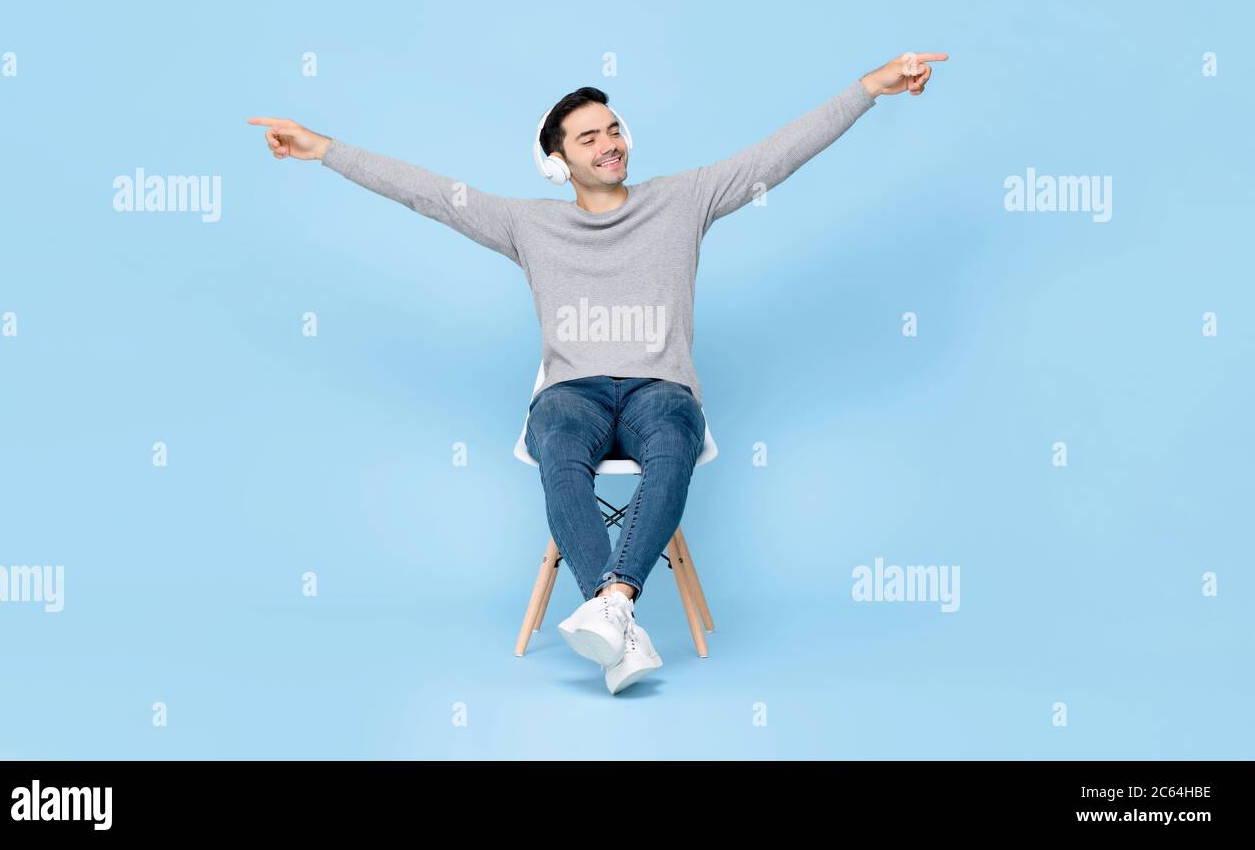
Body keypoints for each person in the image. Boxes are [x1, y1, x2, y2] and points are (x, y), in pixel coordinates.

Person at [247, 52, 948, 693]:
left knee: (675, 440)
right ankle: (621, 621)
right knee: (556, 444)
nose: (609, 142)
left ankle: (612, 610)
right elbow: (428, 192)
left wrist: (870, 90)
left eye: (613, 128)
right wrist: (321, 149)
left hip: (660, 389)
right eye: (588, 137)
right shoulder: (528, 223)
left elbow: (780, 154)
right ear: (557, 162)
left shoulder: (685, 198)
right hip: (571, 393)